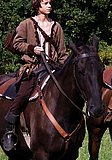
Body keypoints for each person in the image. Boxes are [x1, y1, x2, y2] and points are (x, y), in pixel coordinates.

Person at [1, 0, 68, 151]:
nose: (50, 5)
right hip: (33, 68)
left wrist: (64, 70)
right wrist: (32, 48)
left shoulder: (56, 26)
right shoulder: (26, 24)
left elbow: (62, 52)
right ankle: (9, 130)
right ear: (38, 5)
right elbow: (17, 43)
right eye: (46, 2)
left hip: (54, 69)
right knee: (22, 94)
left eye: (51, 2)